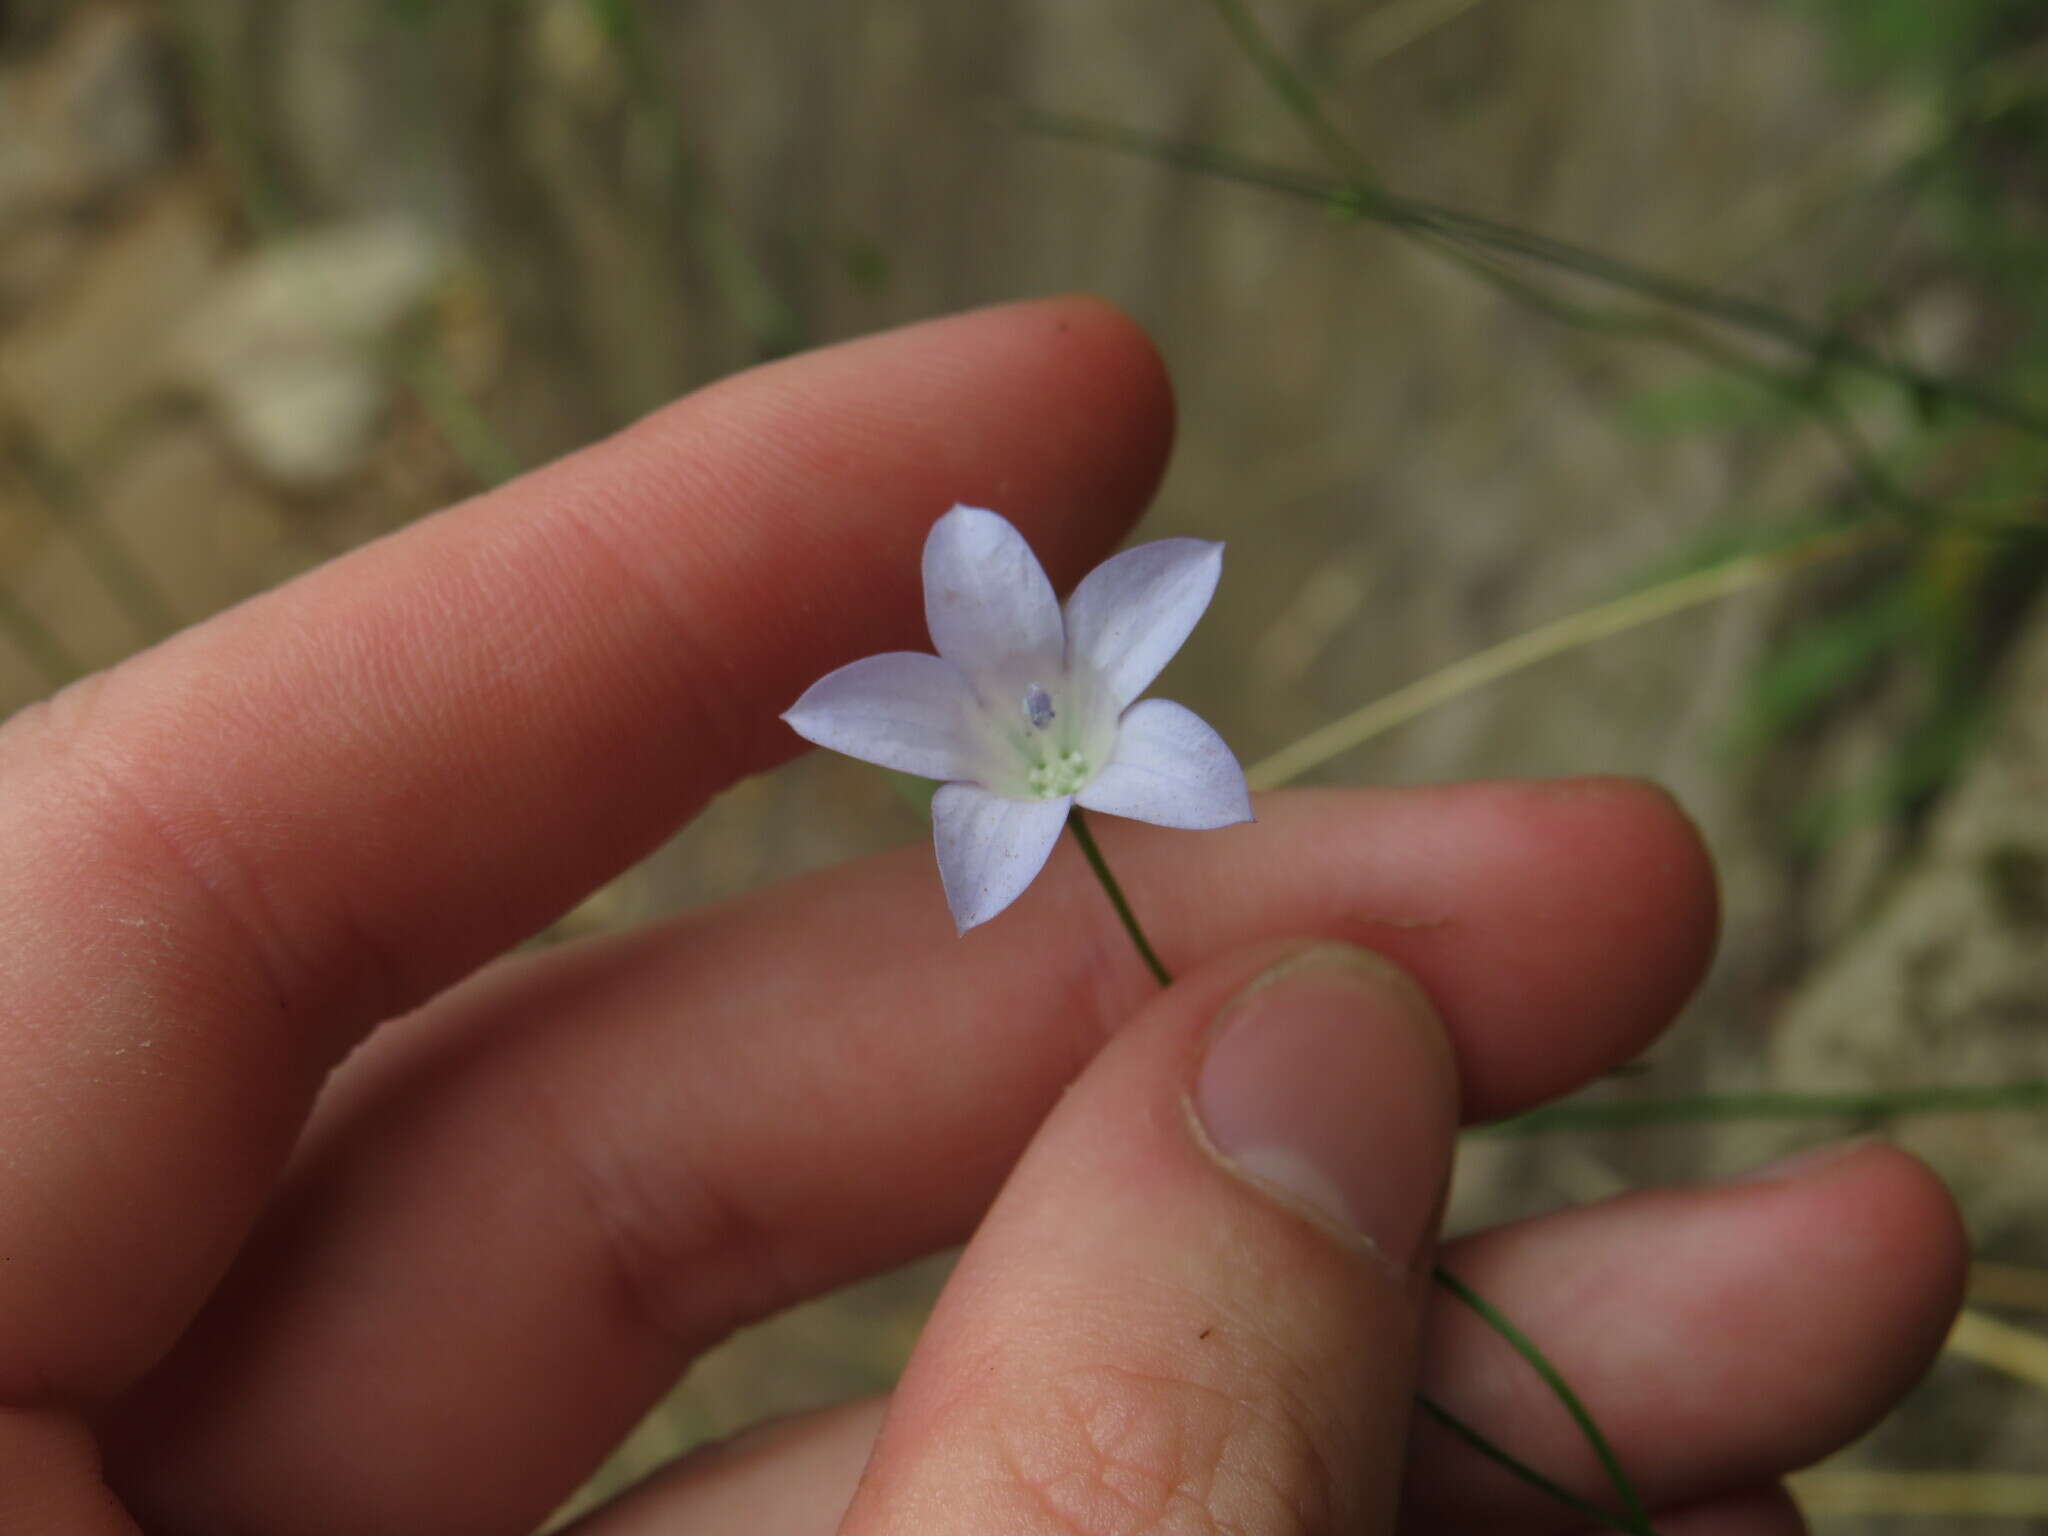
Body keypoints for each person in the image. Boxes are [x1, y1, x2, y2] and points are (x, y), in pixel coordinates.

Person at [0, 298, 1962, 1535]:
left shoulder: (1110, 735)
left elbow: (1100, 705)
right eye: (1018, 735)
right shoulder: (980, 753)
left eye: (1052, 722)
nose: (1035, 739)